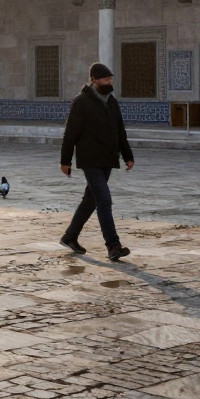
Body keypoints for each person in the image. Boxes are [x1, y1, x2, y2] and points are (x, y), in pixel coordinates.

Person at [59, 62, 134, 260]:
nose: (109, 82)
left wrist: (128, 155)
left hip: (108, 159)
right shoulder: (81, 101)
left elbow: (120, 131)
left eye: (110, 79)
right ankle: (113, 245)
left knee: (90, 200)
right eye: (105, 79)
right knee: (104, 199)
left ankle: (70, 236)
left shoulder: (112, 102)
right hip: (90, 159)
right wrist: (65, 161)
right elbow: (70, 134)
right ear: (94, 80)